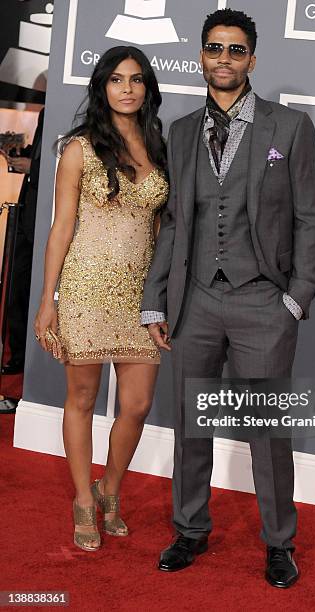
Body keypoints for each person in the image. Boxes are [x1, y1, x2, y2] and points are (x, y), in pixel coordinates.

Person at [141, 9, 315, 587]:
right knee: (191, 425)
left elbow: (308, 219)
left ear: (252, 57)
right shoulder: (182, 130)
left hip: (263, 303)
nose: (225, 58)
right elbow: (174, 224)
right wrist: (156, 300)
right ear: (200, 55)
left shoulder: (290, 128)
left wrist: (296, 297)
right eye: (215, 48)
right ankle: (190, 530)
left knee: (267, 432)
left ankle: (278, 542)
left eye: (236, 49)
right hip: (195, 302)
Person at [34, 46, 168, 552]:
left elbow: (160, 230)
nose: (127, 88)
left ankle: (109, 489)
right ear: (102, 87)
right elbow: (61, 226)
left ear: (146, 88)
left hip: (139, 295)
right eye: (116, 80)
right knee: (82, 399)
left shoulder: (161, 147)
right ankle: (83, 503)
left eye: (135, 80)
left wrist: (163, 296)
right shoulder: (79, 148)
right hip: (86, 289)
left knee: (137, 404)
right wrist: (49, 299)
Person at [0, 107, 44, 377]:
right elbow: (42, 152)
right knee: (16, 288)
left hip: (46, 214)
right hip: (26, 210)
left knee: (34, 290)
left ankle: (30, 360)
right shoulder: (47, 109)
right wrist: (24, 157)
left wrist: (34, 167)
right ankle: (18, 355)